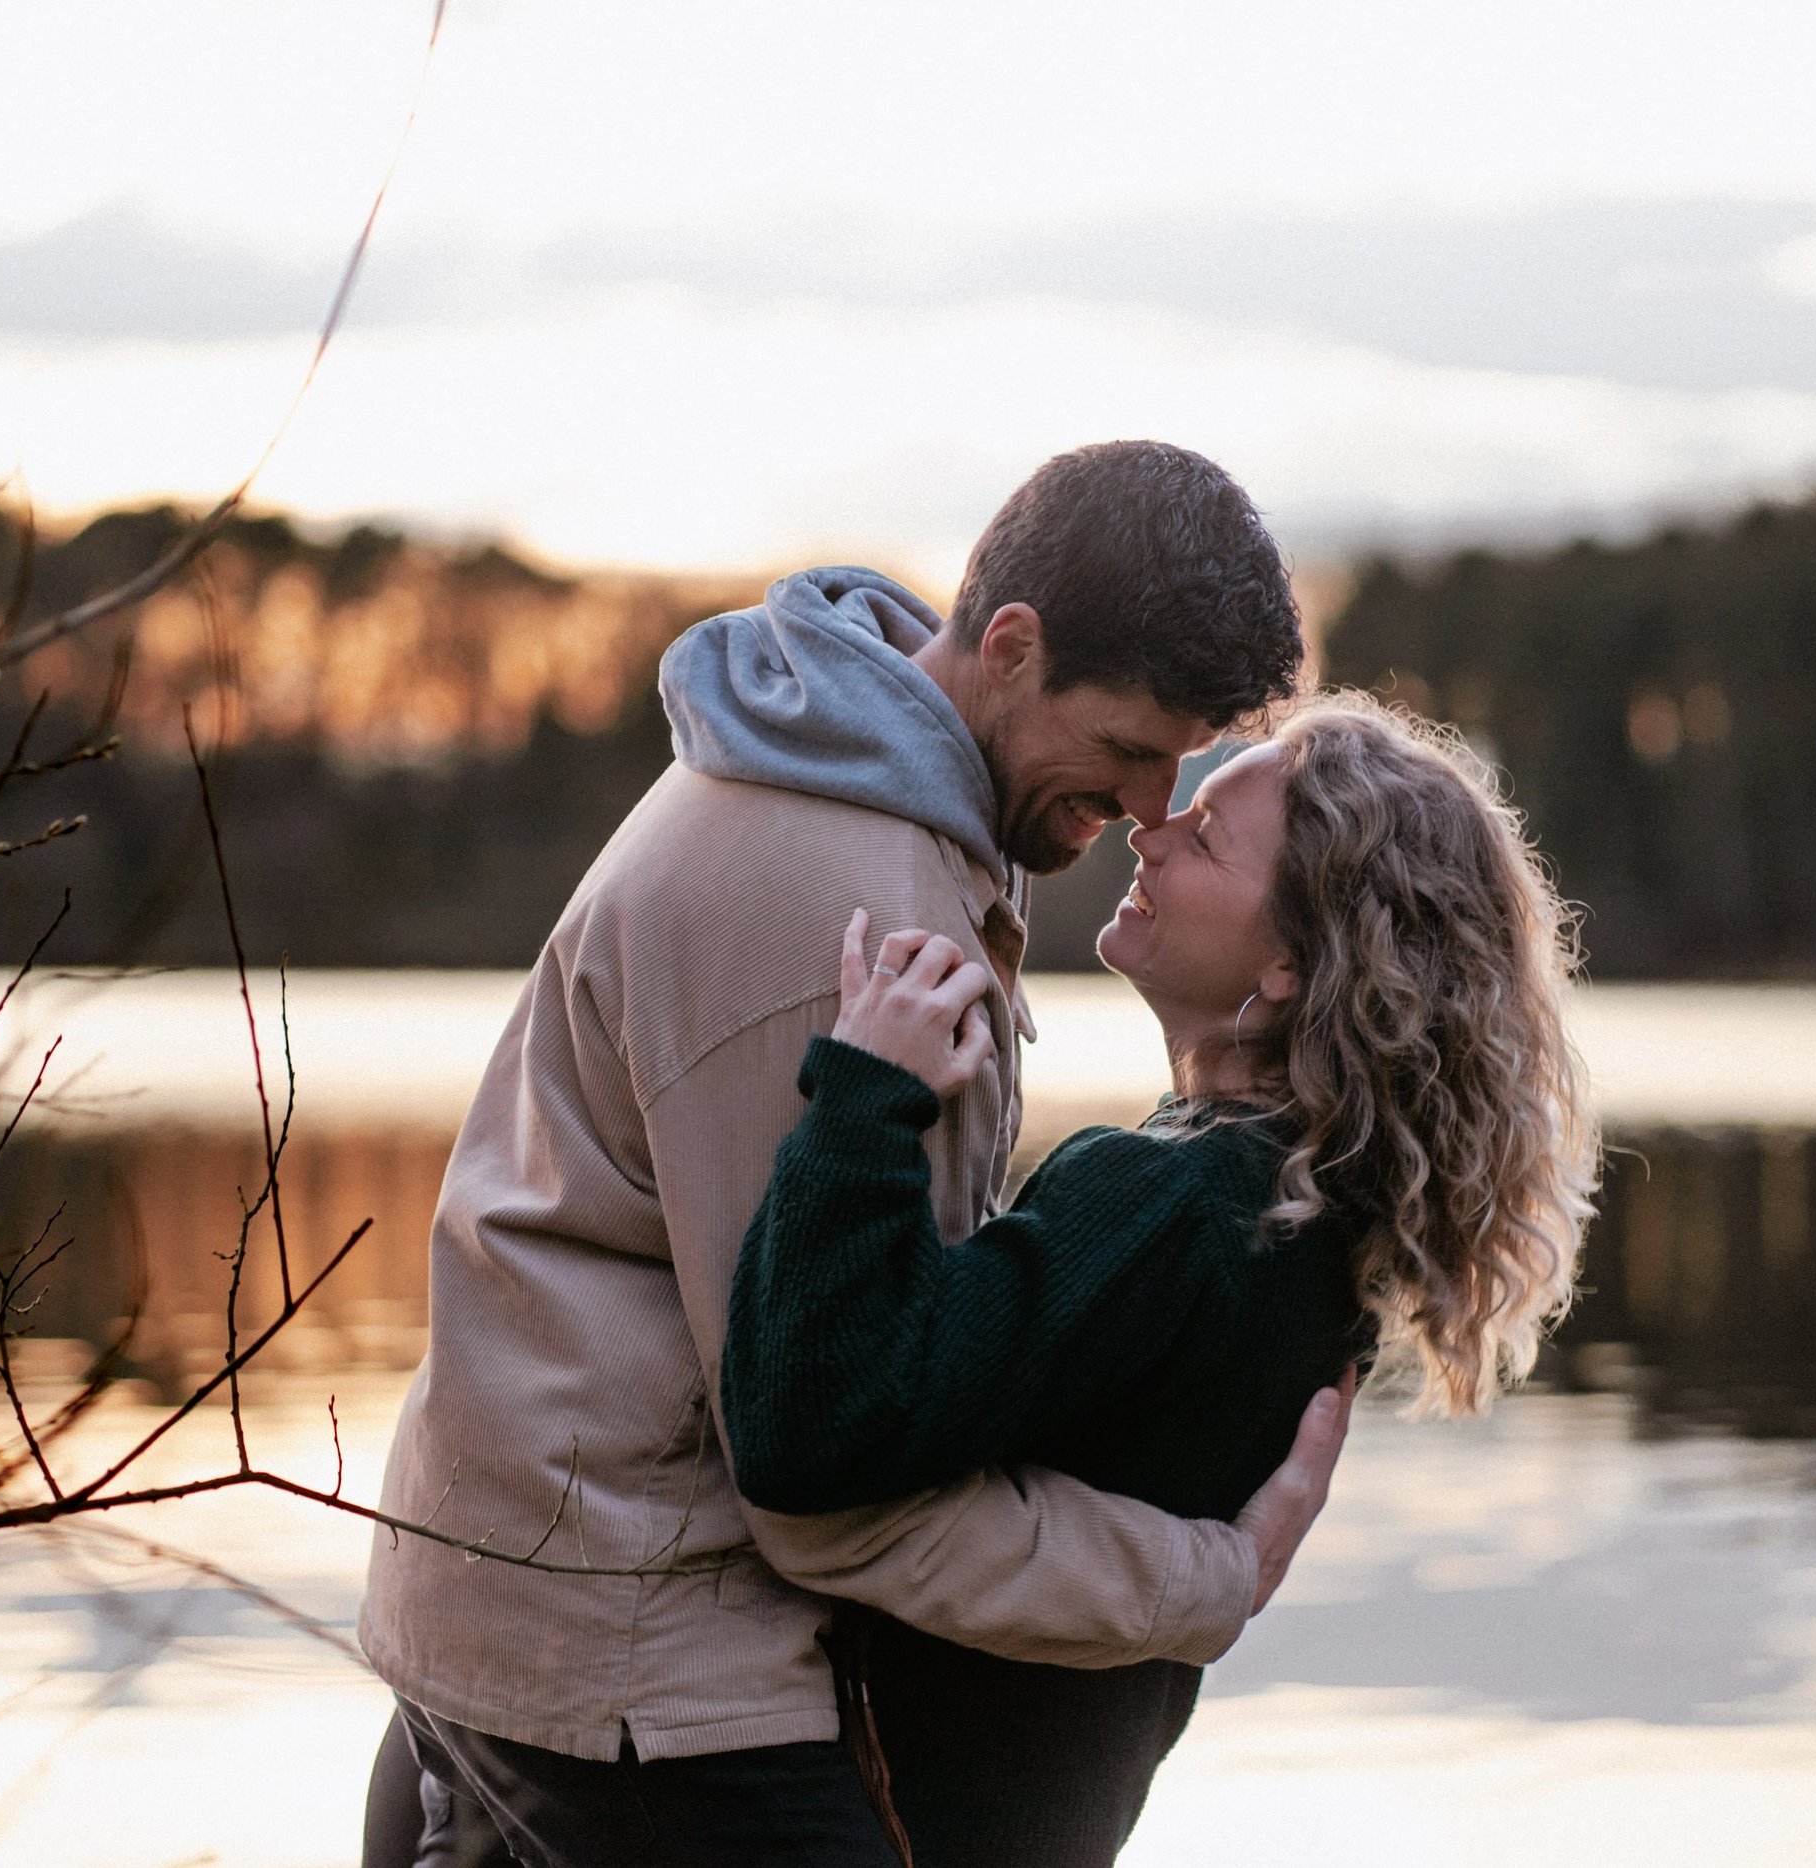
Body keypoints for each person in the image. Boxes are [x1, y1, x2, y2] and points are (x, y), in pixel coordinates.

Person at [359, 441, 1349, 1867]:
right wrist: (1208, 1577)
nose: (1147, 810)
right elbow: (828, 1475)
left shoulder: (873, 787)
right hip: (635, 1668)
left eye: (1180, 767)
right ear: (1012, 648)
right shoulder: (849, 916)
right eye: (1132, 751)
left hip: (555, 1615)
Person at [721, 696, 1600, 1864]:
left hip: (904, 1829)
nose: (1149, 833)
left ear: (1289, 960)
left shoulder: (1174, 1204)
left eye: (1205, 834)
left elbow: (806, 1427)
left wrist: (865, 1095)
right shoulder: (1305, 1219)